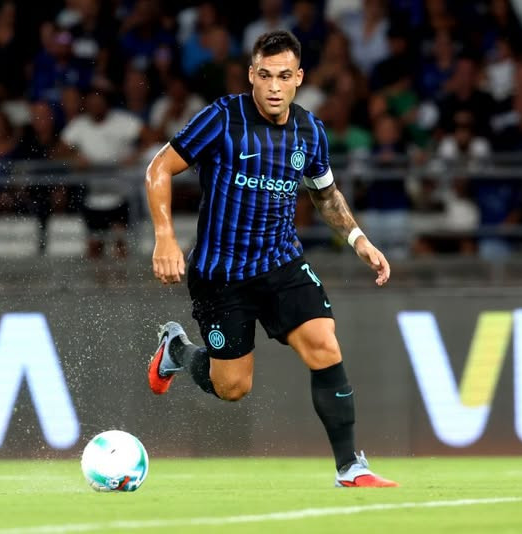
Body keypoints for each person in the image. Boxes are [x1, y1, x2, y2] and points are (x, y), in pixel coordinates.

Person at [144, 30, 398, 488]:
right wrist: (165, 237)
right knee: (233, 388)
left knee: (324, 344)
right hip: (221, 275)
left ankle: (350, 467)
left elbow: (325, 195)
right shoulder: (223, 118)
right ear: (251, 76)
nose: (274, 86)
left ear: (299, 78)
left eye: (284, 76)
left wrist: (358, 239)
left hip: (280, 263)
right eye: (265, 76)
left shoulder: (310, 131)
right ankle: (177, 350)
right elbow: (159, 167)